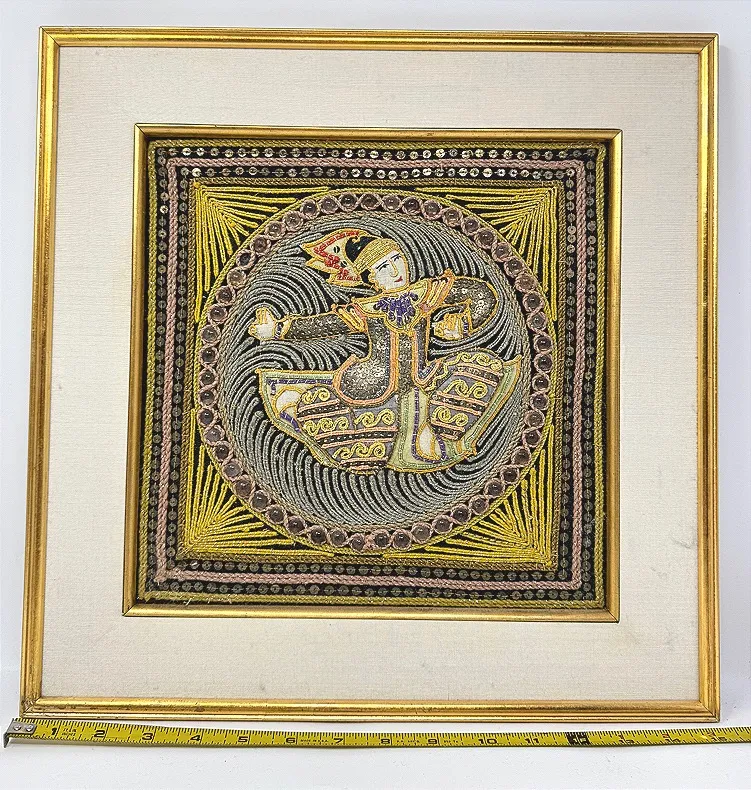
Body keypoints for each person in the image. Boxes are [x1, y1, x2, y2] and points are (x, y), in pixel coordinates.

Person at [250, 228, 521, 474]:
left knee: (483, 365)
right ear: (372, 279)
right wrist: (277, 329)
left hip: (424, 377)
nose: (394, 270)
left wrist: (462, 323)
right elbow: (323, 325)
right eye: (382, 267)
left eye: (397, 259)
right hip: (372, 382)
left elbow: (480, 293)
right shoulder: (366, 310)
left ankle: (430, 439)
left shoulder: (426, 292)